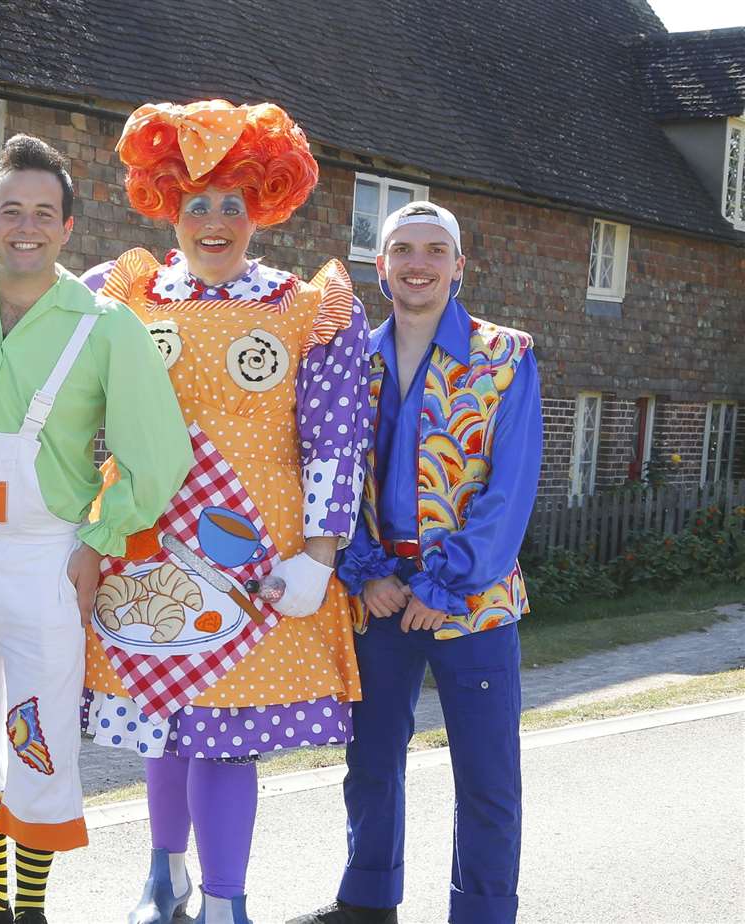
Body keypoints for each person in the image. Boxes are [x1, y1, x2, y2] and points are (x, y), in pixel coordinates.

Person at [76, 100, 372, 924]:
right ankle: (163, 878)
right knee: (163, 723)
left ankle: (226, 904)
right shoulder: (126, 295)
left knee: (227, 736)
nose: (214, 221)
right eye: (196, 203)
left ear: (261, 209)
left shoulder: (306, 306)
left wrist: (319, 553)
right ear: (166, 205)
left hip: (260, 560)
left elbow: (335, 439)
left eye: (232, 204)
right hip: (148, 545)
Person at [0, 135, 191, 924]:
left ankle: (32, 908)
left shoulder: (107, 327)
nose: (27, 227)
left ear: (69, 226)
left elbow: (158, 456)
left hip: (47, 556)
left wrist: (99, 542)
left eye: (44, 212)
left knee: (37, 726)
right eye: (12, 211)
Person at [290, 202, 541, 924]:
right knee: (370, 762)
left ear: (459, 266)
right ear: (382, 266)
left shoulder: (505, 355)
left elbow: (510, 491)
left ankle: (484, 912)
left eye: (435, 250)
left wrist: (445, 582)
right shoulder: (350, 362)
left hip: (473, 598)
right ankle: (368, 901)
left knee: (487, 772)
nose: (419, 263)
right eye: (403, 249)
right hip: (378, 595)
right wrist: (365, 571)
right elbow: (329, 472)